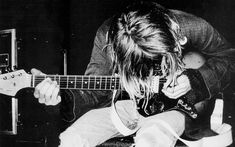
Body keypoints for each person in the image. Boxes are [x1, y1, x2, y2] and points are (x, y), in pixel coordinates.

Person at [31, 1, 235, 147]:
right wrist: (60, 100)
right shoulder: (106, 37)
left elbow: (229, 56)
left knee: (152, 138)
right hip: (127, 107)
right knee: (71, 139)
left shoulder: (189, 25)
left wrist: (195, 81)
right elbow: (93, 93)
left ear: (175, 38)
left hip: (179, 108)